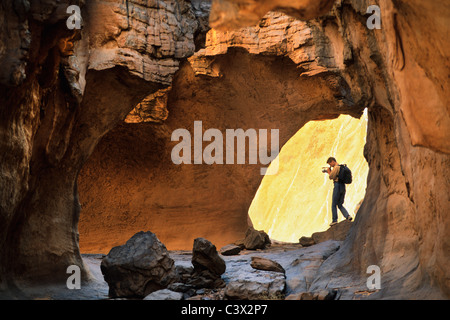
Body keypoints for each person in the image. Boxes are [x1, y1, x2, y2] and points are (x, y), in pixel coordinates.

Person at [326, 157, 352, 226]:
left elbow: (331, 176)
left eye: (330, 163)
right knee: (340, 204)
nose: (330, 165)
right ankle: (348, 216)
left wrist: (329, 172)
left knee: (334, 204)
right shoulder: (341, 167)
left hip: (337, 186)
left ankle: (334, 220)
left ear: (332, 161)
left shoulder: (336, 167)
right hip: (343, 186)